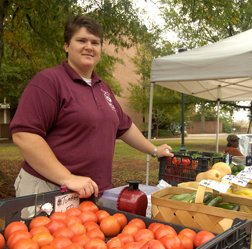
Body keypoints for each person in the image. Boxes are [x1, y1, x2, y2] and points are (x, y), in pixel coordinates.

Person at [10, 14, 173, 202]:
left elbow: (125, 127)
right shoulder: (48, 82)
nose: (89, 47)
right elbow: (24, 135)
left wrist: (154, 150)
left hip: (92, 193)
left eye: (95, 42)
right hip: (49, 189)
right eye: (81, 40)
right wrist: (68, 178)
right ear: (66, 46)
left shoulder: (102, 87)